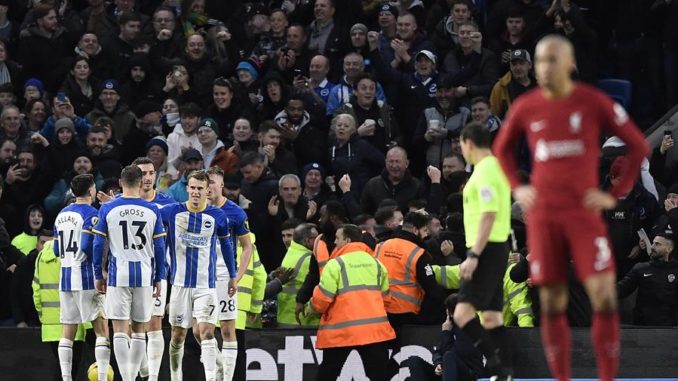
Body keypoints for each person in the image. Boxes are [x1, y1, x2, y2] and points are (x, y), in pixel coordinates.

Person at [493, 35, 650, 381]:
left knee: (604, 298)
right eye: (540, 61)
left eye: (553, 60)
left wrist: (615, 193)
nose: (545, 68)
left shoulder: (592, 101)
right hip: (546, 218)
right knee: (550, 305)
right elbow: (501, 149)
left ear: (569, 64)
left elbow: (638, 145)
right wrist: (519, 188)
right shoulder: (525, 106)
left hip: (583, 215)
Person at [451, 121, 514, 380]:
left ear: (468, 142)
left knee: (462, 313)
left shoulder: (486, 170)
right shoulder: (494, 168)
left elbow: (489, 214)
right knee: (491, 317)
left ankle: (498, 368)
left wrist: (474, 255)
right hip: (495, 247)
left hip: (486, 249)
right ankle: (507, 373)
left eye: (461, 146)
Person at [92, 165, 166, 381]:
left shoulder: (108, 209)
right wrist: (159, 277)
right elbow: (160, 248)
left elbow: (98, 245)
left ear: (121, 183)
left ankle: (127, 378)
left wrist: (99, 273)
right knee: (140, 330)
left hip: (118, 275)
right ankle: (133, 375)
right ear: (141, 182)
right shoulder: (152, 210)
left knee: (121, 330)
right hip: (144, 274)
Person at [161, 170, 237, 381]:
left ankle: (211, 378)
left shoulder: (217, 216)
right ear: (187, 189)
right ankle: (177, 377)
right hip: (179, 285)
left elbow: (227, 246)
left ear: (207, 191)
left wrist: (232, 275)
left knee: (207, 332)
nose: (195, 192)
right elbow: (150, 210)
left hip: (206, 286)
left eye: (200, 188)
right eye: (192, 188)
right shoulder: (171, 212)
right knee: (178, 336)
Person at [308, 224, 395, 380]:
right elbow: (386, 299)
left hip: (342, 332)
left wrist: (311, 307)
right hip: (374, 332)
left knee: (327, 374)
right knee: (379, 375)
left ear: (347, 240)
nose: (334, 242)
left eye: (337, 238)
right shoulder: (377, 264)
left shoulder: (335, 265)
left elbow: (321, 301)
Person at [54, 174, 110, 381]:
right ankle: (103, 376)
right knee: (101, 327)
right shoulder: (91, 214)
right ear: (91, 190)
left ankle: (66, 378)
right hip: (85, 277)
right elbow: (87, 245)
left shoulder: (61, 214)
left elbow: (56, 249)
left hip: (65, 278)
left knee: (67, 330)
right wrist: (99, 270)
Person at [205, 166, 254, 381]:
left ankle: (226, 378)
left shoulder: (235, 212)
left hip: (224, 276)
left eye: (213, 183)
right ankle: (218, 365)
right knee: (201, 332)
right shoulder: (195, 209)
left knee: (227, 330)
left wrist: (237, 275)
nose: (209, 188)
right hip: (201, 278)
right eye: (206, 184)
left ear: (221, 185)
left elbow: (247, 247)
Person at [131, 157, 175, 381]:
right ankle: (143, 369)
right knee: (132, 324)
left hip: (158, 271)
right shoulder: (123, 201)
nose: (147, 177)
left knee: (155, 322)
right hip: (129, 271)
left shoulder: (168, 203)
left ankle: (153, 376)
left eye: (151, 173)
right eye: (142, 173)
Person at [406, 293, 484, 381]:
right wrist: (438, 363)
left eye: (447, 310)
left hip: (469, 374)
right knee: (414, 360)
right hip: (448, 372)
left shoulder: (472, 328)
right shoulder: (451, 326)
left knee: (449, 356)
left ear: (451, 312)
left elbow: (455, 354)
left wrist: (446, 333)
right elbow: (438, 350)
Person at [617, 233, 678, 326]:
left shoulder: (676, 269)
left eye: (657, 244)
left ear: (669, 249)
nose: (652, 247)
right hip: (643, 326)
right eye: (653, 243)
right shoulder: (641, 268)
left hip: (669, 327)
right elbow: (622, 289)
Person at [277, 222, 320, 327]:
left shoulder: (292, 252)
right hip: (301, 321)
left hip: (286, 316)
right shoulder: (308, 259)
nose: (319, 241)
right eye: (316, 238)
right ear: (306, 240)